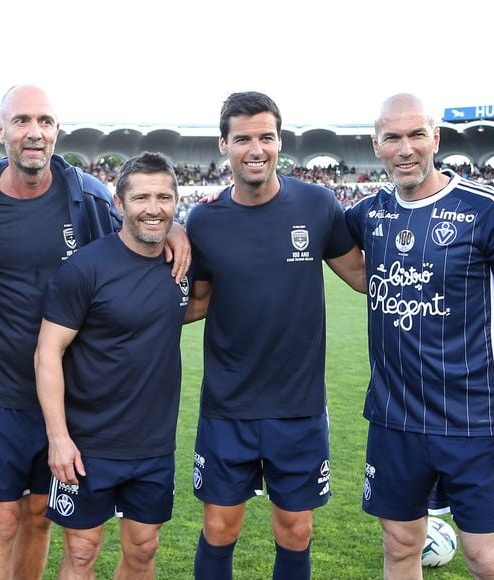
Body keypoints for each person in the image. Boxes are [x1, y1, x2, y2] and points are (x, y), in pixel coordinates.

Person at [0, 85, 190, 580]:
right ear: (1, 131)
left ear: (57, 130)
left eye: (44, 121)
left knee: (40, 517)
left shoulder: (88, 196)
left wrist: (173, 227)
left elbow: (134, 236)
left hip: (68, 397)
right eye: (21, 121)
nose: (33, 132)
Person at [345, 93, 494, 579]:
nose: (405, 148)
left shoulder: (486, 208)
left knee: (487, 560)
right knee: (400, 547)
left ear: (436, 139)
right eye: (393, 138)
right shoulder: (368, 214)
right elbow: (304, 226)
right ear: (376, 145)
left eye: (416, 135)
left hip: (476, 419)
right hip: (395, 419)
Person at [186, 91, 366, 579]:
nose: (256, 149)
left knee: (295, 532)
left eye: (266, 136)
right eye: (243, 138)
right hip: (228, 405)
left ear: (279, 141)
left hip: (299, 405)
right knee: (220, 528)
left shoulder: (317, 203)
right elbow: (196, 302)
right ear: (223, 144)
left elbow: (363, 277)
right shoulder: (203, 219)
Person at [34, 152, 190, 578]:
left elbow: (196, 305)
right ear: (119, 205)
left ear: (176, 203)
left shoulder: (182, 266)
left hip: (153, 445)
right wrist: (58, 438)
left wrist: (181, 235)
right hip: (88, 445)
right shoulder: (85, 268)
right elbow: (48, 351)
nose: (153, 208)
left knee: (143, 550)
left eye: (164, 197)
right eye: (140, 198)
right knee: (82, 552)